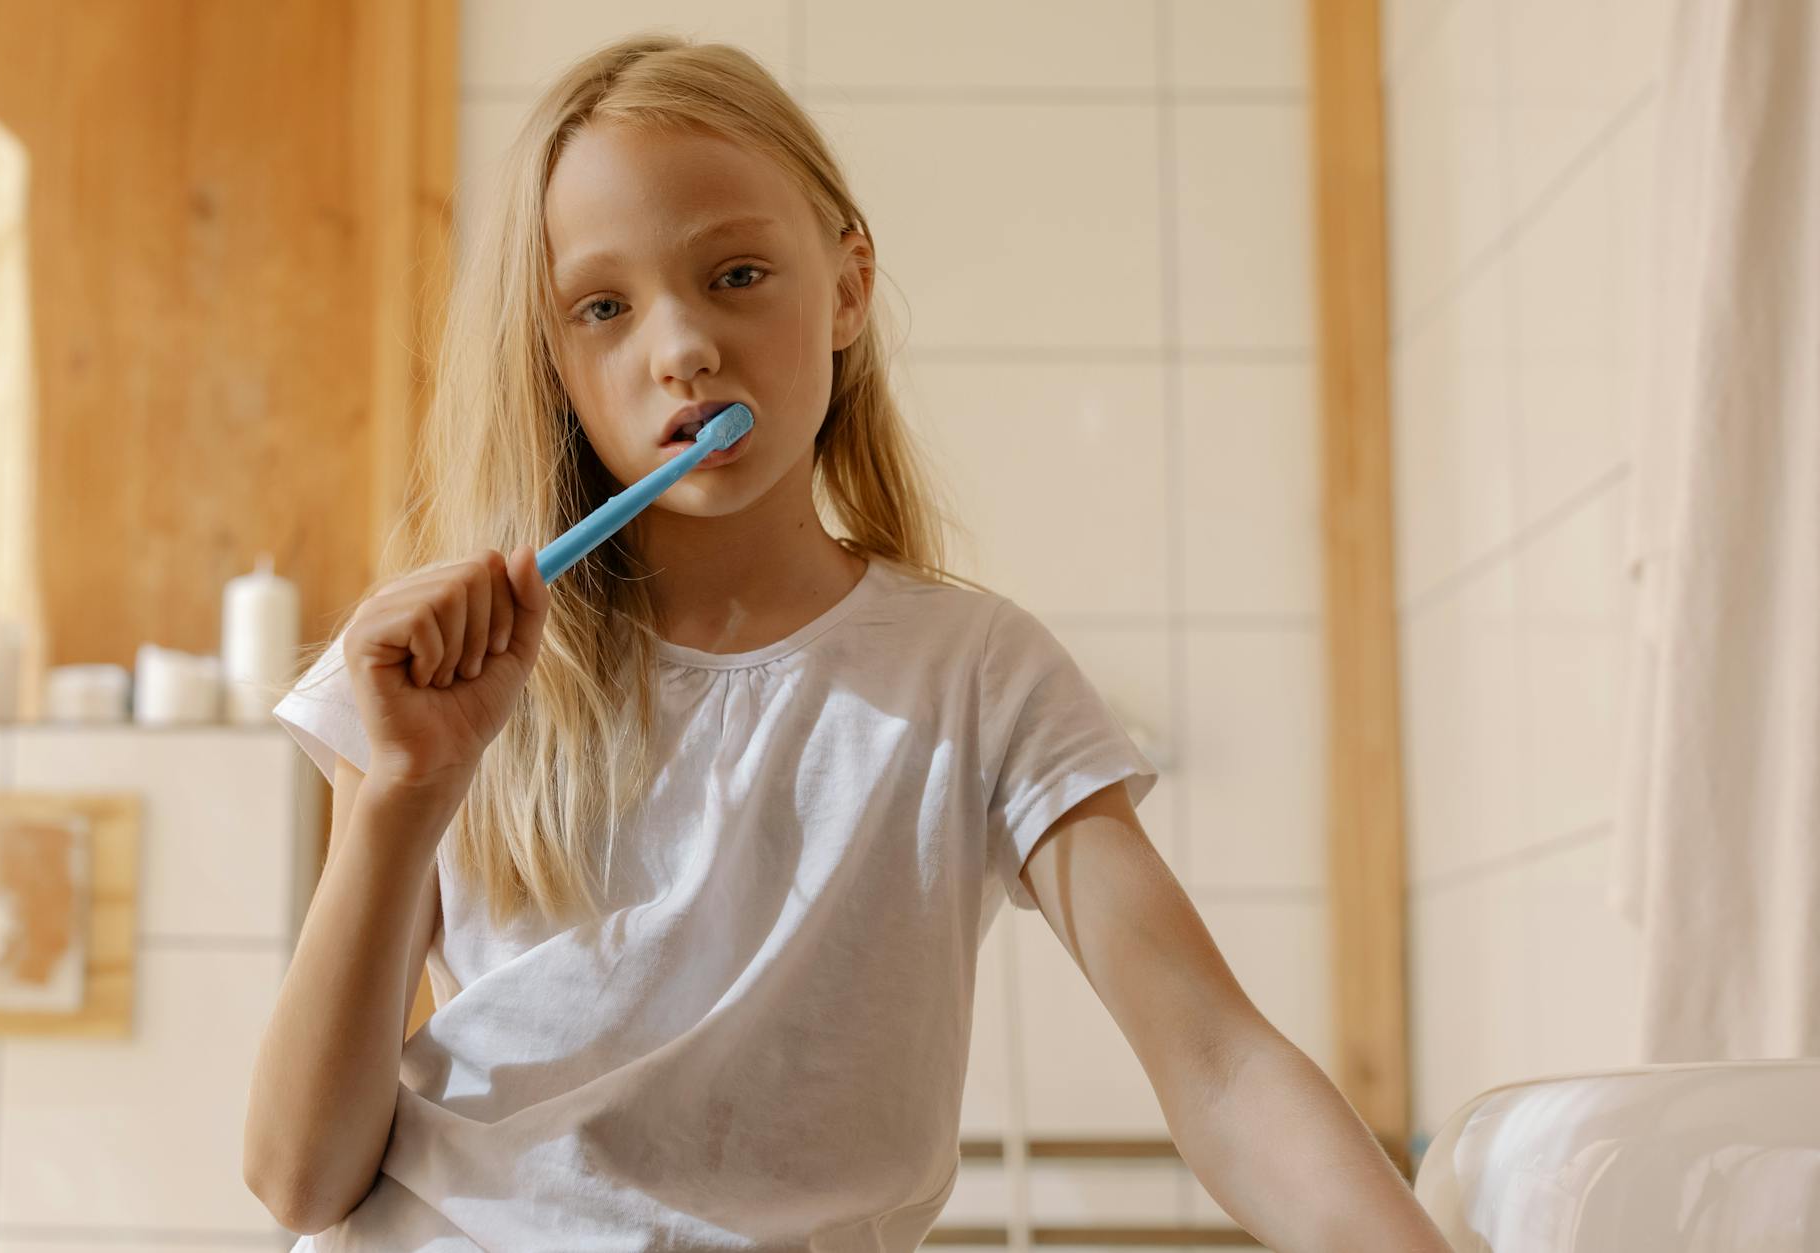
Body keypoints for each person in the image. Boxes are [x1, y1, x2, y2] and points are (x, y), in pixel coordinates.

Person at [242, 32, 1451, 1252]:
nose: (680, 349)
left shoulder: (976, 674)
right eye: (601, 307)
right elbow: (299, 1179)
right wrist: (406, 789)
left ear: (848, 286)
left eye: (736, 275)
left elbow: (1217, 1065)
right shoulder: (437, 680)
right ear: (553, 358)